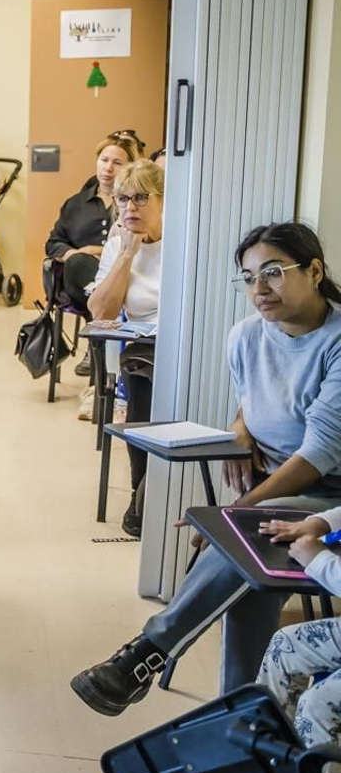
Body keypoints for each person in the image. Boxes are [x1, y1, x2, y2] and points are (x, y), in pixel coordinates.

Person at [72, 221, 341, 713]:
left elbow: (320, 452)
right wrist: (239, 432)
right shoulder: (246, 336)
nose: (259, 289)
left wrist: (235, 513)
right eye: (249, 277)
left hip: (330, 496)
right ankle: (240, 713)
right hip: (273, 485)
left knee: (249, 537)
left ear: (316, 271)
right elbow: (254, 403)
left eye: (275, 273)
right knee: (253, 568)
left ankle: (150, 652)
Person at [86, 158, 165, 536]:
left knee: (146, 384)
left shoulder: (183, 241)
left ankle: (148, 494)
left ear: (164, 200)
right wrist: (128, 254)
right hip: (140, 353)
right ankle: (143, 491)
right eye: (122, 199)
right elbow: (101, 310)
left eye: (140, 198)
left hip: (180, 347)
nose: (130, 208)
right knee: (141, 382)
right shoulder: (119, 243)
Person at [45, 134, 139, 314]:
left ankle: (100, 331)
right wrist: (75, 254)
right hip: (81, 285)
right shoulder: (75, 204)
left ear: (130, 168)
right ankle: (104, 318)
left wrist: (97, 251)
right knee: (77, 262)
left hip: (126, 276)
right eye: (104, 160)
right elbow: (53, 243)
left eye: (117, 163)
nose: (108, 168)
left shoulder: (133, 205)